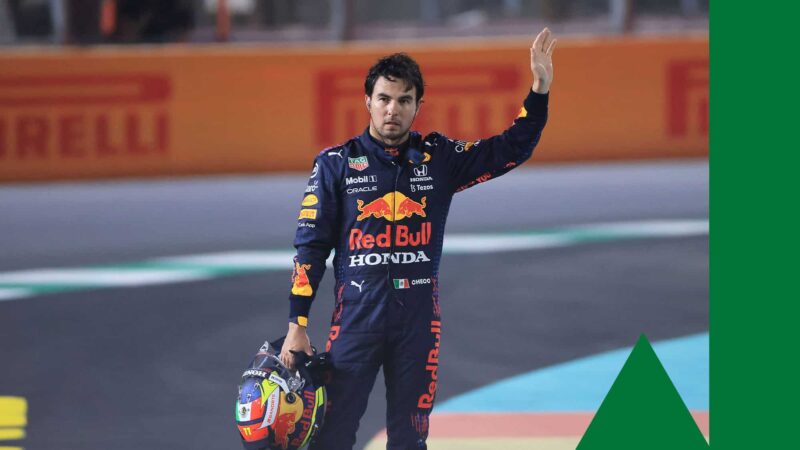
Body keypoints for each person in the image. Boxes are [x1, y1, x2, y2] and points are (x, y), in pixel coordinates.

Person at [279, 28, 557, 450]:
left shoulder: (439, 158)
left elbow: (511, 148)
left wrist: (539, 89)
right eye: (384, 99)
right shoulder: (336, 165)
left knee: (410, 440)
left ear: (417, 106)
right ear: (367, 102)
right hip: (356, 321)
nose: (393, 110)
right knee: (330, 436)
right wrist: (297, 323)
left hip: (419, 325)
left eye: (404, 100)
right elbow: (311, 248)